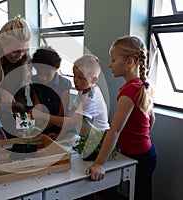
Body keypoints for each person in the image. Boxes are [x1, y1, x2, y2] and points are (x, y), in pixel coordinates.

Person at [85, 36, 157, 200]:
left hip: (140, 157)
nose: (110, 64)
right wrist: (140, 137)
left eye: (113, 60)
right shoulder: (142, 85)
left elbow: (115, 130)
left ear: (129, 61)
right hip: (145, 151)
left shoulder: (129, 92)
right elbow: (152, 120)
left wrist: (99, 163)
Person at [32, 54, 110, 139]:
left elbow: (70, 123)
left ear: (93, 80)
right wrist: (59, 136)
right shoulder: (83, 92)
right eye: (74, 75)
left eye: (81, 77)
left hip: (99, 140)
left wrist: (42, 115)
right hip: (86, 138)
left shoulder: (90, 99)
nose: (75, 80)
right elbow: (69, 116)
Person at [30, 46, 72, 140]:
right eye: (39, 73)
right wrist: (39, 123)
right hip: (42, 127)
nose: (43, 78)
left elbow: (61, 114)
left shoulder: (64, 84)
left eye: (47, 74)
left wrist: (42, 127)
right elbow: (38, 108)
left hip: (61, 128)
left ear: (56, 68)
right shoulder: (34, 81)